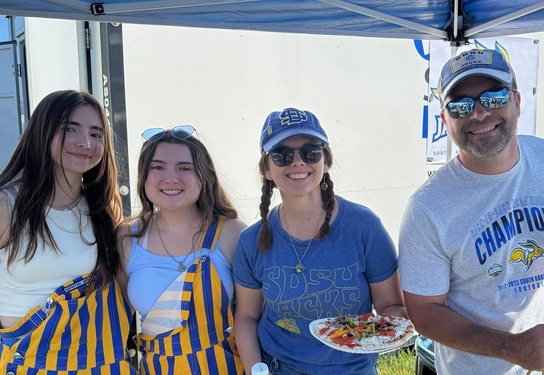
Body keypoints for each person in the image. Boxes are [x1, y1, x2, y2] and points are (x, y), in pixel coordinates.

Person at [398, 48, 544, 375]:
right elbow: (425, 311)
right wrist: (512, 347)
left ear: (516, 100)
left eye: (494, 96)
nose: (479, 113)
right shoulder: (427, 207)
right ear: (445, 119)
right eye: (460, 105)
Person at [233, 108, 407, 375]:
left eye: (310, 152)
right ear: (267, 169)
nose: (297, 162)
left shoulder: (363, 226)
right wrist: (256, 370)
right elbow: (246, 316)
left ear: (326, 161)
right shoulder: (251, 241)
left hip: (352, 369)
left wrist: (385, 331)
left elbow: (391, 306)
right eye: (282, 155)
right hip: (280, 367)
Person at [0, 89, 135, 374]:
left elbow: (122, 290)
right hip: (28, 362)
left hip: (99, 362)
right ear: (42, 131)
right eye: (69, 129)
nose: (85, 142)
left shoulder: (104, 208)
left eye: (96, 134)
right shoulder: (7, 205)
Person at [117, 125, 246, 375]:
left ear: (203, 175)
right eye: (158, 167)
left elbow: (254, 318)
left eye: (184, 168)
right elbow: (119, 322)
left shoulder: (233, 234)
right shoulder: (127, 238)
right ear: (144, 176)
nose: (171, 178)